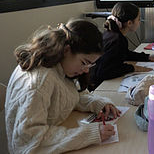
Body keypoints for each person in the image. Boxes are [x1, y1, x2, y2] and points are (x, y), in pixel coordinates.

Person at [5, 19, 120, 153]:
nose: (86, 70)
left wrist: (98, 103)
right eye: (84, 62)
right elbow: (30, 141)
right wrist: (89, 134)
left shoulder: (60, 65)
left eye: (90, 65)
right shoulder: (39, 82)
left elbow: (70, 94)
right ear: (66, 50)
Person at [89, 2, 154, 91]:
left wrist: (148, 57)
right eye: (139, 19)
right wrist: (133, 68)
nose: (140, 22)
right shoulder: (118, 40)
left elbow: (124, 53)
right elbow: (105, 71)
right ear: (129, 23)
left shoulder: (111, 34)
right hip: (100, 86)